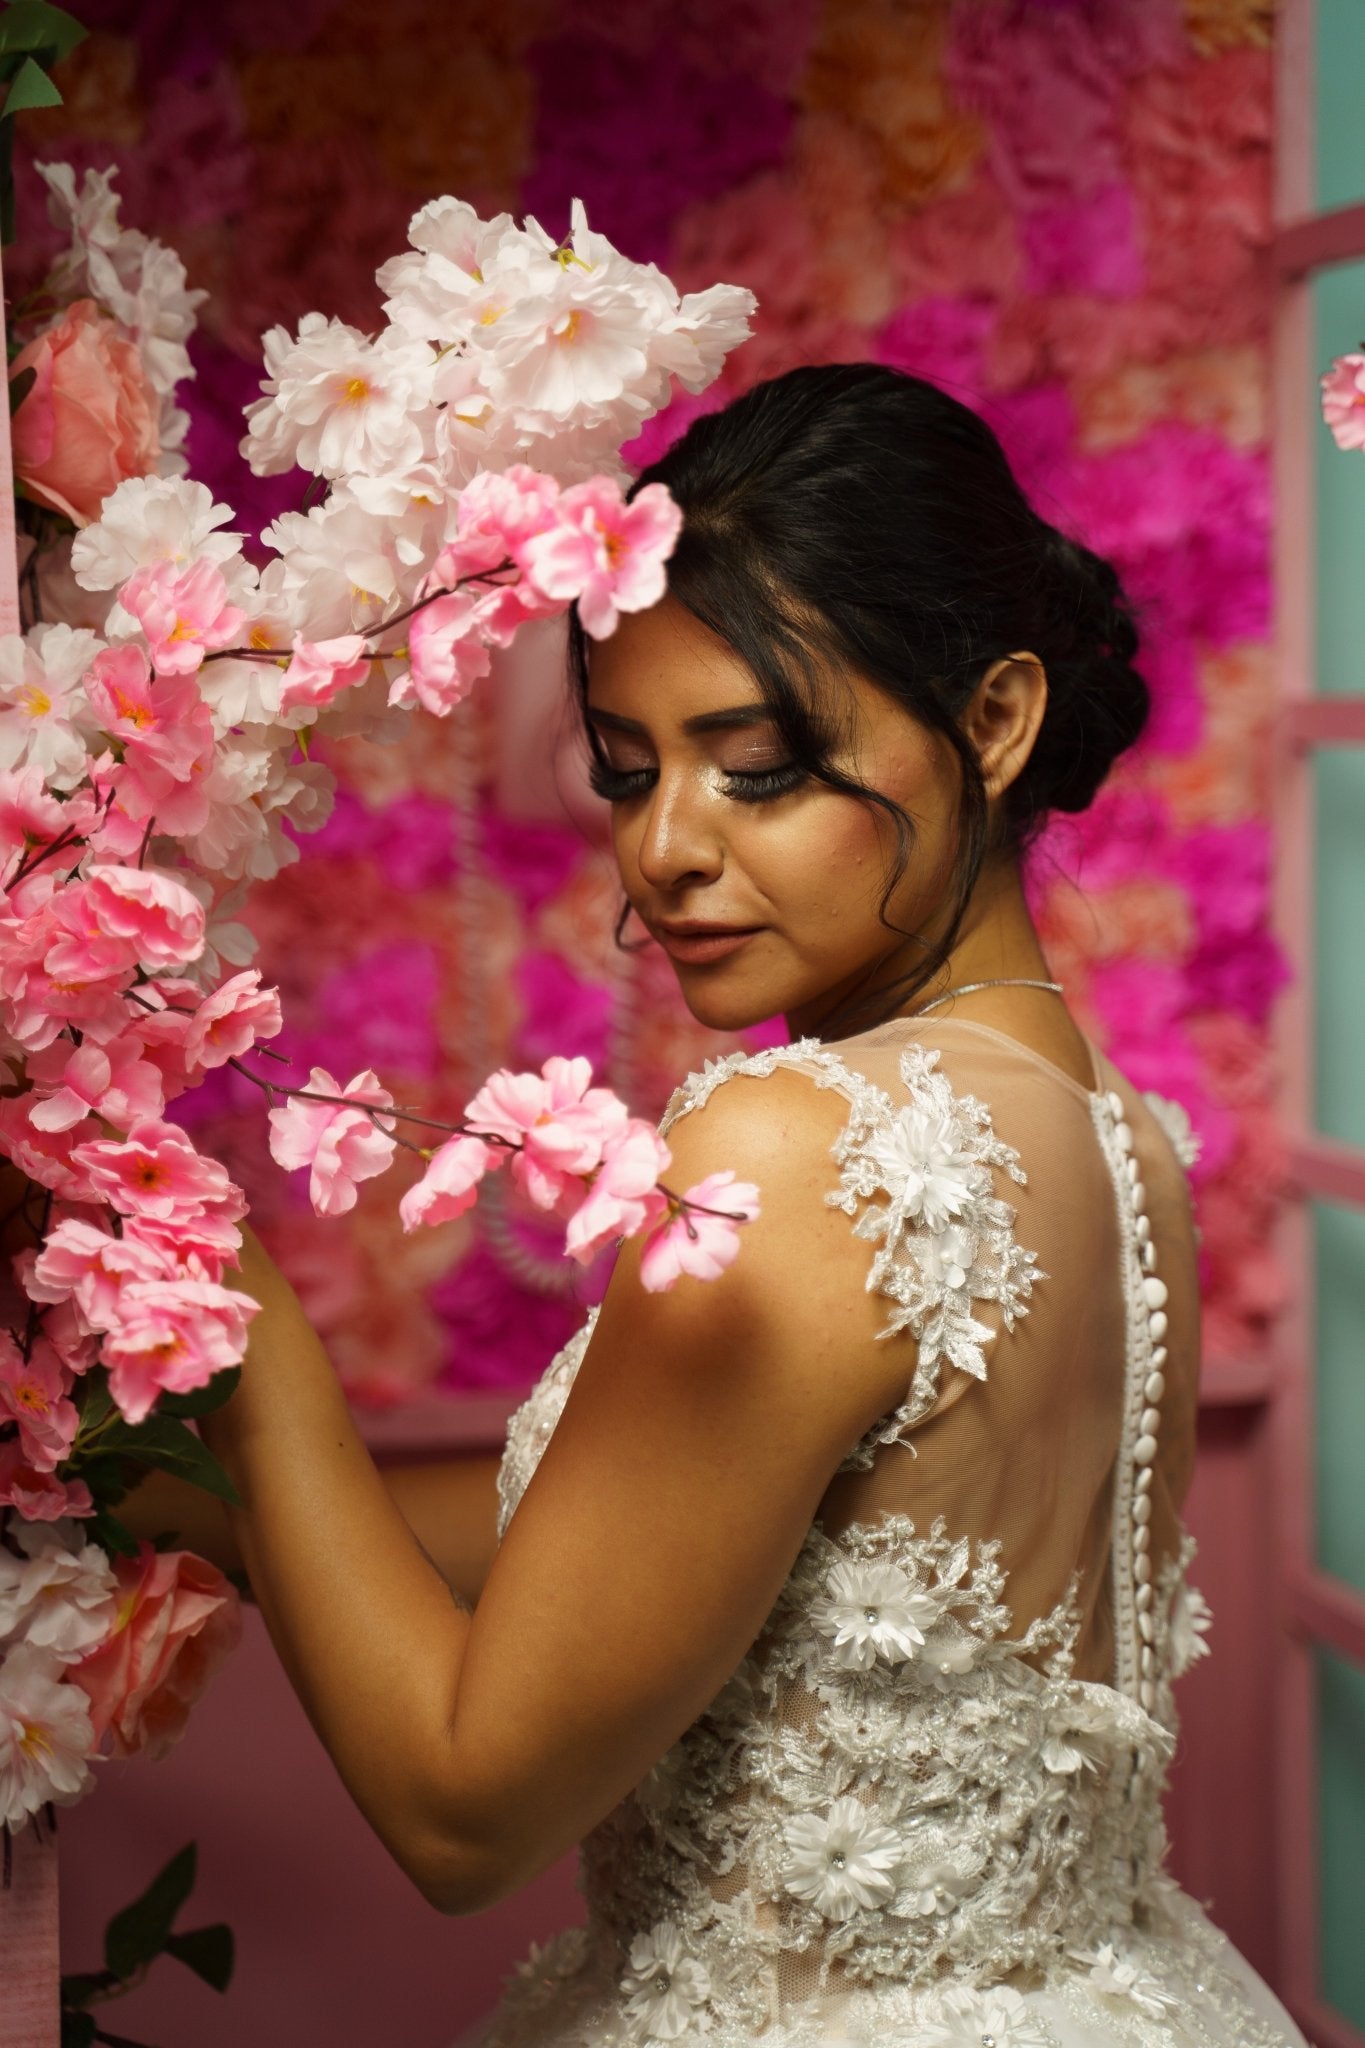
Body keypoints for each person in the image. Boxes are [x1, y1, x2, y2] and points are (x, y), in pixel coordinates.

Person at [130, 364, 1305, 2047]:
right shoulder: (1105, 1132)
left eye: (753, 768)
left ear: (993, 721)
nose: (663, 848)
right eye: (625, 770)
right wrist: (174, 1502)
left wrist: (233, 1347)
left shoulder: (802, 1147)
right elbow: (686, 1537)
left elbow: (463, 1816)